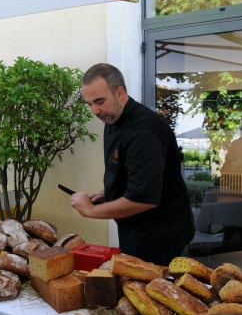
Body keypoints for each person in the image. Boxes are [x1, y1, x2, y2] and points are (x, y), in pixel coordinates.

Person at [71, 63, 195, 266]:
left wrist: (90, 211)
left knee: (151, 292)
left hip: (159, 234)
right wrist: (108, 192)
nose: (94, 110)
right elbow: (131, 172)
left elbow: (143, 199)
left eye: (99, 101)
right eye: (89, 104)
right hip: (134, 227)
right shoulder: (112, 119)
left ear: (119, 93)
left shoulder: (144, 132)